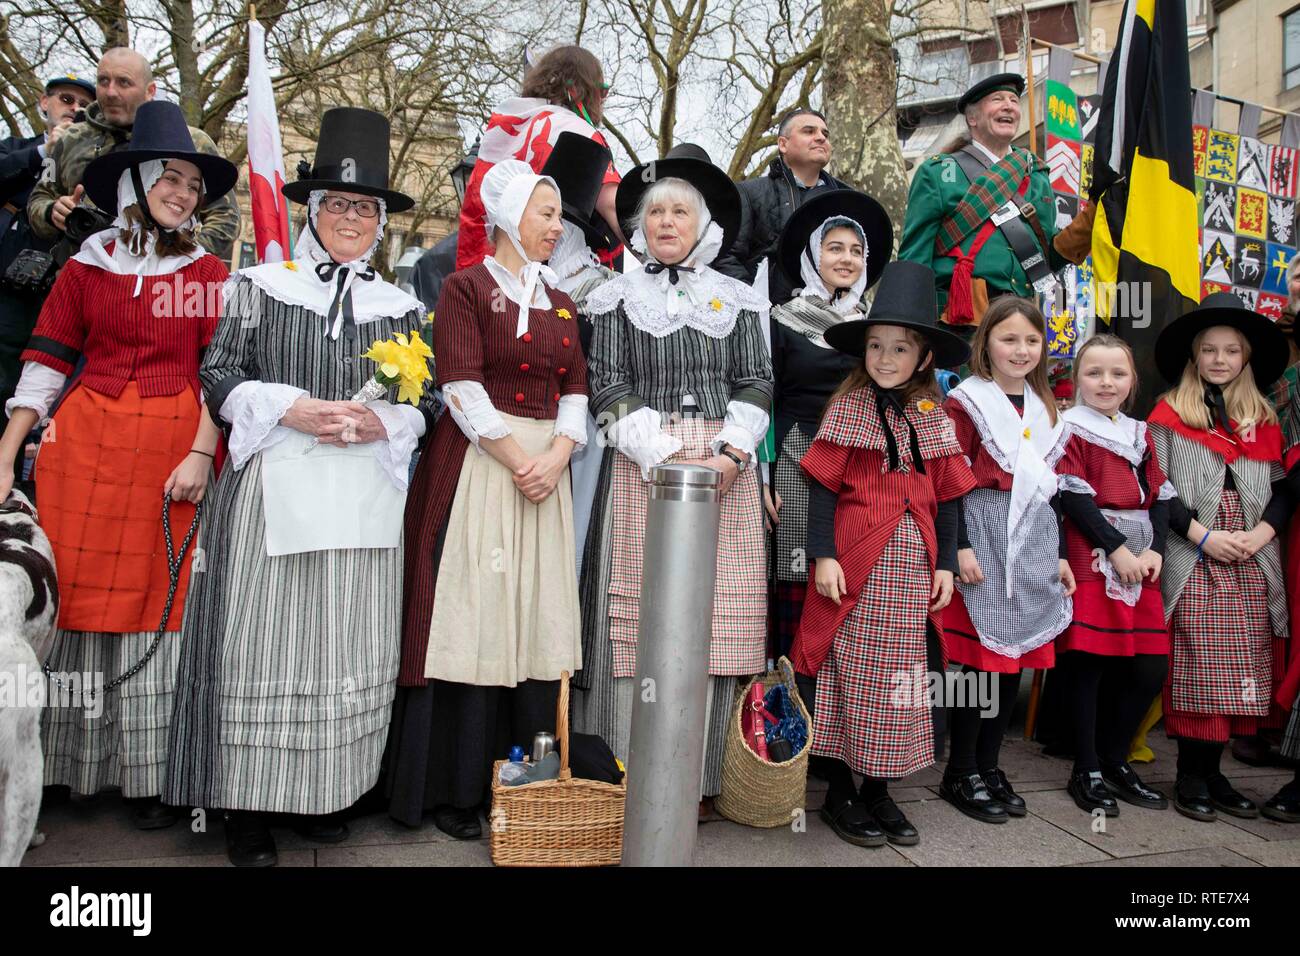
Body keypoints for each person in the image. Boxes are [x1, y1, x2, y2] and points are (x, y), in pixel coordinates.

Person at [164, 107, 433, 866]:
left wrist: (388, 424)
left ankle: (323, 792)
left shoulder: (403, 305)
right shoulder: (258, 286)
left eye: (366, 208)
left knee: (342, 643)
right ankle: (247, 806)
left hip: (361, 499)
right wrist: (292, 406)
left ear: (380, 222)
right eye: (339, 205)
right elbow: (217, 375)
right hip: (274, 487)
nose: (352, 218)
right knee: (262, 645)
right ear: (312, 211)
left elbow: (430, 404)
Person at [0, 101, 235, 829]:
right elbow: (45, 364)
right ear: (135, 181)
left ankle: (148, 779)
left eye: (195, 185)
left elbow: (221, 373)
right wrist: (6, 454)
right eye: (171, 177)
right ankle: (69, 772)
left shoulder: (208, 273)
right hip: (84, 449)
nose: (184, 193)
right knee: (72, 604)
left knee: (154, 606)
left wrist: (203, 452)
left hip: (171, 452)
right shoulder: (86, 265)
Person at [390, 160, 588, 838]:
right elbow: (460, 385)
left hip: (543, 472)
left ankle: (526, 784)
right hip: (482, 463)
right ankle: (457, 790)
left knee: (536, 621)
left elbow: (578, 389)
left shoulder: (561, 297)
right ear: (508, 217)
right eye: (546, 214)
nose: (556, 227)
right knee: (475, 621)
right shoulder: (464, 288)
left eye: (558, 215)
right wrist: (519, 459)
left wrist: (557, 459)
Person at [575, 147, 772, 811]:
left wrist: (728, 456)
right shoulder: (614, 298)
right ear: (638, 226)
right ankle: (628, 767)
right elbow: (607, 382)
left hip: (725, 469)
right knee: (640, 614)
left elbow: (757, 381)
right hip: (641, 467)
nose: (666, 221)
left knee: (718, 617)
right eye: (655, 210)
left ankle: (705, 775)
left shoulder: (741, 302)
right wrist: (662, 454)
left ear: (703, 223)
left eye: (679, 210)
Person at [791, 260, 974, 847]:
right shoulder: (848, 410)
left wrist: (945, 561)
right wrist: (822, 554)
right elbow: (822, 487)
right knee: (854, 676)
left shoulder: (934, 417)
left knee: (902, 680)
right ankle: (843, 792)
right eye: (876, 346)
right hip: (855, 567)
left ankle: (880, 790)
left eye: (900, 348)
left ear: (924, 357)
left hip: (912, 571)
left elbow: (948, 500)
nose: (886, 358)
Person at [1146, 292, 1291, 823]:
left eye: (1232, 350)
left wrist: (1259, 536)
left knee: (1242, 666)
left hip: (1252, 552)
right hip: (1198, 551)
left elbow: (1281, 488)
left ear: (1246, 357)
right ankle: (1191, 773)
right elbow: (1157, 486)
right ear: (1194, 356)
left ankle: (1215, 772)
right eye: (1210, 349)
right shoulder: (1168, 413)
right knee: (1199, 662)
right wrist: (1203, 536)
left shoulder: (1264, 417)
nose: (1221, 359)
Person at [940, 296, 1075, 823]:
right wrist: (959, 547)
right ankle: (962, 769)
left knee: (1011, 663)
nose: (1021, 350)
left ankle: (990, 765)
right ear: (986, 343)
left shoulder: (1046, 410)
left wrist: (1060, 555)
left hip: (1033, 535)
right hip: (985, 531)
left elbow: (1054, 490)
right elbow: (951, 480)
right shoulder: (967, 403)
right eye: (1009, 339)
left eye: (1031, 341)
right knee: (980, 662)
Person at [767, 188, 892, 657]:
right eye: (834, 247)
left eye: (856, 251)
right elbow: (765, 398)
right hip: (796, 463)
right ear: (812, 255)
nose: (847, 258)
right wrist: (763, 473)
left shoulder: (875, 329)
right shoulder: (781, 320)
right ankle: (792, 711)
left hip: (859, 471)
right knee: (801, 584)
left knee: (852, 583)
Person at [1053, 334, 1173, 816]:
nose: (1106, 382)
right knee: (1090, 664)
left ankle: (1115, 757)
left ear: (1132, 380)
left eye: (1117, 373)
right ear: (1077, 378)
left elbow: (1161, 494)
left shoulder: (1140, 433)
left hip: (1141, 560)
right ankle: (1087, 768)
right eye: (1094, 372)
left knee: (1149, 666)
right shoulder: (1069, 428)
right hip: (1094, 553)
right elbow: (1071, 497)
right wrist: (1116, 548)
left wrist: (1158, 550)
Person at [897, 73, 1093, 329]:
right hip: (960, 320)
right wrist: (913, 328)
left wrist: (1092, 219)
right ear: (972, 118)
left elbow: (1045, 256)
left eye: (1013, 100)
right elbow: (915, 258)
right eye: (997, 99)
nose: (1009, 105)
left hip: (1020, 317)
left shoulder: (1036, 175)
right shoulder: (938, 173)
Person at [27, 48, 240, 263]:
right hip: (79, 276)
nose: (111, 92)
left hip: (157, 285)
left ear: (150, 91)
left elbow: (226, 218)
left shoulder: (191, 142)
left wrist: (175, 258)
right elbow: (40, 196)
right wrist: (51, 212)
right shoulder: (70, 139)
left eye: (124, 82)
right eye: (103, 81)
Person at [0, 74, 97, 484]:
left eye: (83, 103)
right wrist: (47, 150)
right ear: (44, 102)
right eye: (65, 98)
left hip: (60, 291)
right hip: (10, 291)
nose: (73, 107)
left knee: (50, 386)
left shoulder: (89, 156)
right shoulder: (18, 150)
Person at [455, 45, 621, 270]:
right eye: (601, 91)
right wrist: (655, 260)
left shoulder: (500, 131)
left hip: (486, 274)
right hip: (547, 280)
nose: (602, 101)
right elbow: (614, 206)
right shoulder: (577, 131)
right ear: (581, 90)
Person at [538, 132, 618, 574]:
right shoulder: (516, 283)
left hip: (582, 436)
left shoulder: (603, 290)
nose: (550, 229)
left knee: (571, 539)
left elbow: (605, 377)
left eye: (559, 219)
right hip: (517, 428)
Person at [714, 108, 847, 306]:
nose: (821, 138)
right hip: (768, 324)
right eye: (809, 131)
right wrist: (757, 308)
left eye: (825, 134)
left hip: (832, 323)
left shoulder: (848, 200)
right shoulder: (748, 194)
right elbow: (726, 259)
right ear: (783, 144)